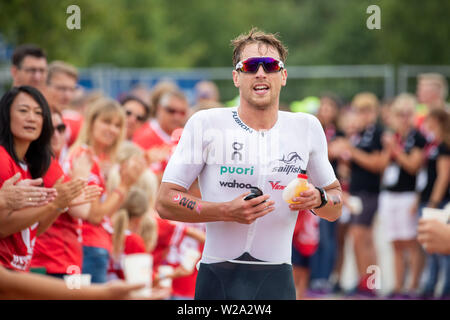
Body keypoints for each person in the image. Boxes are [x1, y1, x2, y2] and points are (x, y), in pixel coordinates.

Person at [156, 28, 342, 300]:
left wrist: (319, 198)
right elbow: (164, 201)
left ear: (283, 76)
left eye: (270, 66)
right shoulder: (206, 123)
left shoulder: (306, 127)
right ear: (236, 77)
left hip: (276, 278)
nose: (261, 73)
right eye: (250, 66)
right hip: (217, 277)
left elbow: (335, 206)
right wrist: (224, 211)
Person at [0, 86, 90, 271]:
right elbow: (3, 227)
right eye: (23, 111)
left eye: (38, 113)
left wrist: (58, 205)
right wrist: (53, 204)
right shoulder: (2, 158)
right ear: (6, 115)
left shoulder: (31, 163)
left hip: (19, 270)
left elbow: (33, 230)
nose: (31, 118)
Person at [65, 97, 146, 283]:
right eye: (106, 122)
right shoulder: (84, 157)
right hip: (87, 246)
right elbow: (94, 215)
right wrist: (125, 185)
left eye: (118, 125)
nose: (112, 130)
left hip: (91, 247)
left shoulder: (93, 158)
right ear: (92, 121)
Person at [332, 92, 384, 297]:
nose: (361, 115)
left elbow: (377, 164)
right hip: (356, 191)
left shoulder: (378, 133)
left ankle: (369, 283)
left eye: (365, 110)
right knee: (362, 238)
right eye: (358, 110)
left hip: (369, 192)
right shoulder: (359, 134)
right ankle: (366, 280)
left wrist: (352, 152)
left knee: (361, 237)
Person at [378, 94, 426, 298]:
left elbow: (414, 166)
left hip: (408, 194)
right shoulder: (393, 136)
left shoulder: (417, 137)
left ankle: (413, 285)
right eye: (399, 114)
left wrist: (395, 151)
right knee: (395, 242)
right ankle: (398, 286)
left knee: (410, 242)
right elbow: (381, 166)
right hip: (389, 194)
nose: (403, 118)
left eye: (407, 114)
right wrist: (389, 151)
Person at [417, 108, 450, 299]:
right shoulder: (433, 144)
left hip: (439, 201)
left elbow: (444, 175)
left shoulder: (444, 145)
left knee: (442, 246)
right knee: (430, 247)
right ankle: (430, 286)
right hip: (428, 197)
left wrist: (434, 202)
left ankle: (445, 288)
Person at [133, 89, 189, 181]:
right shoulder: (143, 136)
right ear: (159, 108)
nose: (177, 117)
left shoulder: (185, 136)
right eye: (171, 111)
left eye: (182, 112)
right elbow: (144, 179)